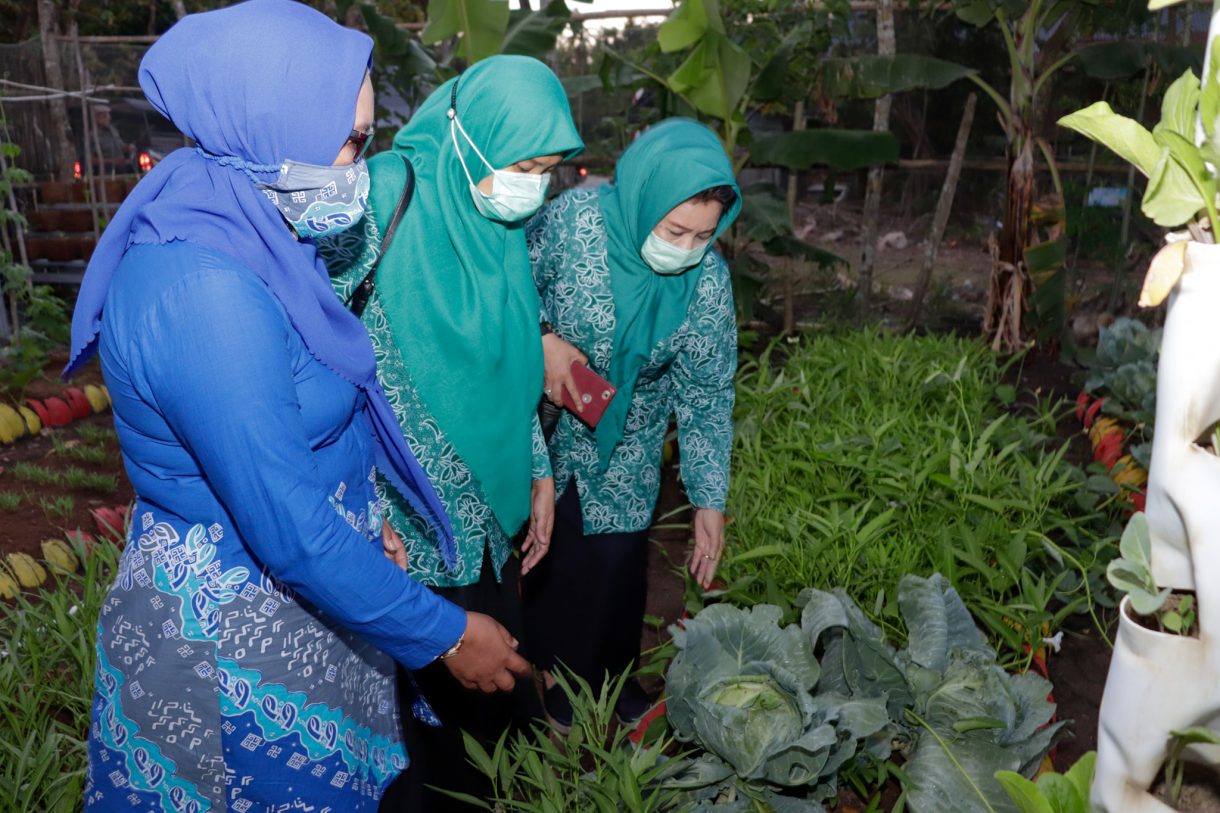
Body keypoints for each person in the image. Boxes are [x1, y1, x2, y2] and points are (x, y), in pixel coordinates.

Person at [67, 4, 527, 811]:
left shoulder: (254, 223)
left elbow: (314, 410)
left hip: (305, 603)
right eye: (349, 141)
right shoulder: (203, 290)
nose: (360, 165)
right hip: (233, 641)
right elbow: (285, 525)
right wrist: (448, 634)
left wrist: (363, 509)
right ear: (267, 122)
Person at [319, 55, 583, 810]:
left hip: (489, 519)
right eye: (522, 167)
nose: (532, 188)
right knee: (413, 739)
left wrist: (537, 467)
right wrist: (353, 499)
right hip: (403, 529)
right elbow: (314, 342)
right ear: (469, 137)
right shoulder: (381, 198)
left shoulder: (498, 222)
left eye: (546, 172)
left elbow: (511, 356)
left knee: (488, 717)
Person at [522, 118, 741, 729]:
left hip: (630, 437)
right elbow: (511, 285)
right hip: (541, 418)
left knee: (617, 561)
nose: (686, 248)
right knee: (550, 549)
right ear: (645, 198)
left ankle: (614, 678)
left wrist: (709, 499)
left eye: (703, 235)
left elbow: (706, 393)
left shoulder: (706, 283)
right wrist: (542, 338)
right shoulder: (572, 225)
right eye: (674, 230)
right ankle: (556, 674)